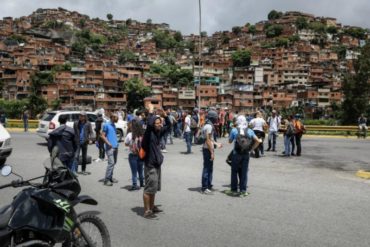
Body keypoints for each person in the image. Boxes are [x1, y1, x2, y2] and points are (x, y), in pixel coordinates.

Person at [141, 104, 170, 219]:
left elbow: (169, 126)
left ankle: (152, 207)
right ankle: (147, 210)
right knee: (149, 188)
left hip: (157, 164)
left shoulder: (158, 132)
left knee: (154, 188)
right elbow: (148, 125)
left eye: (160, 122)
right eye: (157, 123)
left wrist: (165, 116)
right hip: (150, 164)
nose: (159, 124)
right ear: (153, 124)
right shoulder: (148, 134)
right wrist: (151, 112)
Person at [226, 115, 261, 197]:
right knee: (244, 172)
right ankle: (243, 190)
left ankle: (234, 190)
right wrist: (251, 150)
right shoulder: (250, 131)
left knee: (234, 172)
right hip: (246, 154)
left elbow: (230, 141)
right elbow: (258, 141)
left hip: (236, 154)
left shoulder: (234, 130)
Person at [200, 110, 223, 194]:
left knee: (209, 168)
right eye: (216, 118)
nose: (217, 119)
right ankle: (204, 187)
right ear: (213, 118)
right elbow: (208, 140)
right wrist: (212, 152)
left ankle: (209, 185)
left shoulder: (207, 125)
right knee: (207, 168)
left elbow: (211, 139)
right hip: (207, 150)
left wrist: (217, 144)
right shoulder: (209, 126)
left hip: (207, 148)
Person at [125, 120, 144, 190]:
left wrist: (131, 145)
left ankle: (135, 185)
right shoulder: (142, 135)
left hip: (132, 155)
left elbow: (126, 144)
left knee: (134, 172)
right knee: (141, 170)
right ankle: (142, 183)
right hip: (141, 155)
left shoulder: (130, 135)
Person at [100, 113, 119, 186]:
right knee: (111, 163)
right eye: (116, 117)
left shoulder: (114, 125)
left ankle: (110, 177)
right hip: (110, 148)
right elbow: (102, 136)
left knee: (113, 163)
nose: (117, 119)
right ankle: (106, 180)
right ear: (112, 117)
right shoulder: (106, 125)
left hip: (115, 147)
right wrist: (108, 143)